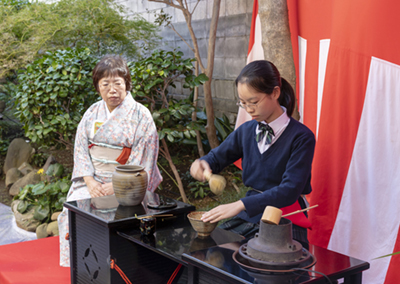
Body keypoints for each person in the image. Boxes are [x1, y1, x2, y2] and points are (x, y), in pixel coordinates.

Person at [190, 60, 315, 245]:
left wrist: (240, 204)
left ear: (275, 93)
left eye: (254, 102)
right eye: (243, 103)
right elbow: (216, 157)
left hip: (286, 216)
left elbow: (290, 190)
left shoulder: (301, 137)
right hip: (251, 214)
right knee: (209, 250)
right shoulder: (247, 130)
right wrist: (203, 163)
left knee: (260, 263)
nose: (248, 109)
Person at [58, 55, 162, 267]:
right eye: (105, 84)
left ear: (127, 84)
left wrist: (116, 185)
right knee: (72, 212)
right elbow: (80, 149)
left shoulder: (141, 116)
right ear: (98, 87)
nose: (112, 89)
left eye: (117, 83)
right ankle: (82, 267)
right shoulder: (92, 113)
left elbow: (144, 158)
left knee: (123, 215)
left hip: (128, 185)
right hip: (93, 181)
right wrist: (90, 182)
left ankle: (120, 266)